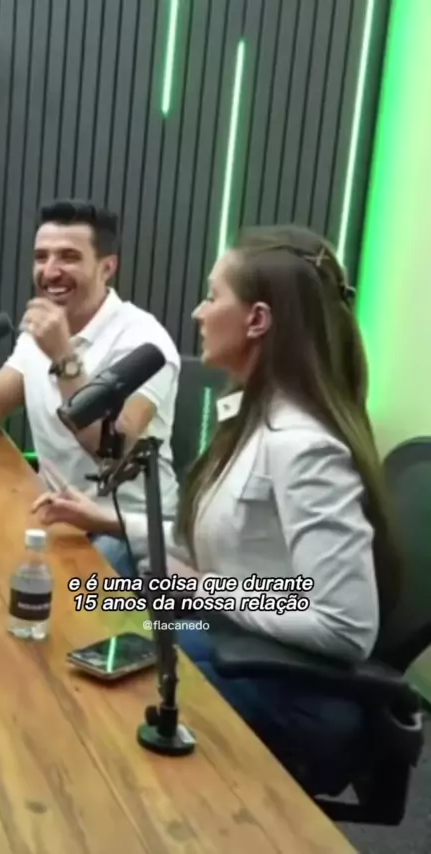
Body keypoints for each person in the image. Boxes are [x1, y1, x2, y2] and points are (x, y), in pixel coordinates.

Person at [32, 223, 401, 794]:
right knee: (97, 606)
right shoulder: (252, 418)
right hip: (234, 638)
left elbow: (344, 624)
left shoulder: (303, 446)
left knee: (109, 697)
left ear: (257, 320)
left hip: (287, 688)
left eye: (212, 296)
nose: (198, 313)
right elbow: (220, 538)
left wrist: (207, 591)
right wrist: (106, 519)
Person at [0, 199, 181, 571]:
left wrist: (63, 356)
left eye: (69, 257)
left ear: (107, 267)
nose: (50, 271)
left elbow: (111, 454)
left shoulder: (144, 343)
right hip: (57, 512)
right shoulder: (40, 332)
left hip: (122, 527)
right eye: (41, 257)